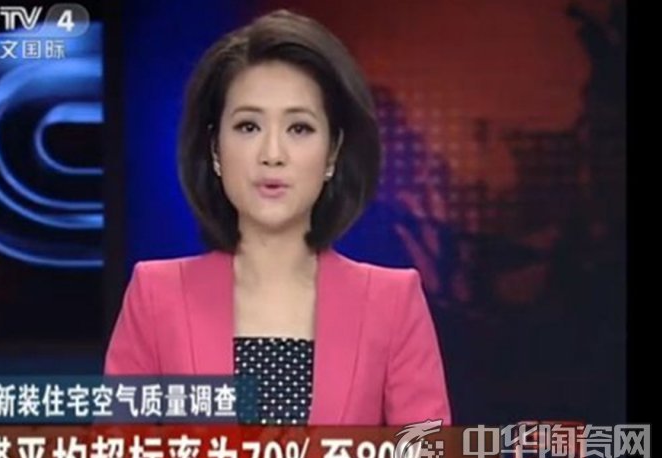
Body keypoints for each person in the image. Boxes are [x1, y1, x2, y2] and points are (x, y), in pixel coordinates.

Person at [105, 9, 451, 426]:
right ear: (215, 149)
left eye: (299, 128)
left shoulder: (392, 303)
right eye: (248, 127)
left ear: (333, 152)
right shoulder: (156, 296)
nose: (272, 154)